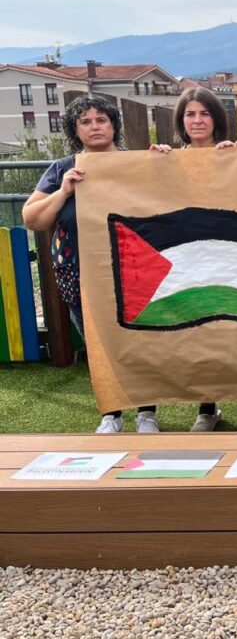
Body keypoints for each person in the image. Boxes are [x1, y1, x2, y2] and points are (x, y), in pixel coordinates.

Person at [22, 95, 159, 433]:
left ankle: (147, 413)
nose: (94, 127)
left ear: (113, 126)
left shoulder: (136, 163)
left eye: (101, 120)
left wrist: (162, 162)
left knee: (139, 341)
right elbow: (32, 218)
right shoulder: (62, 169)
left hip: (132, 271)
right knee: (97, 347)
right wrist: (64, 192)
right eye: (85, 121)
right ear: (75, 130)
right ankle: (111, 414)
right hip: (79, 274)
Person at [151, 87, 237, 432]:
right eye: (190, 114)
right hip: (192, 258)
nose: (197, 120)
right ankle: (207, 406)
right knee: (201, 331)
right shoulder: (169, 160)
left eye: (204, 113)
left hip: (235, 254)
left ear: (216, 118)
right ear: (181, 121)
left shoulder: (235, 155)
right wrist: (153, 165)